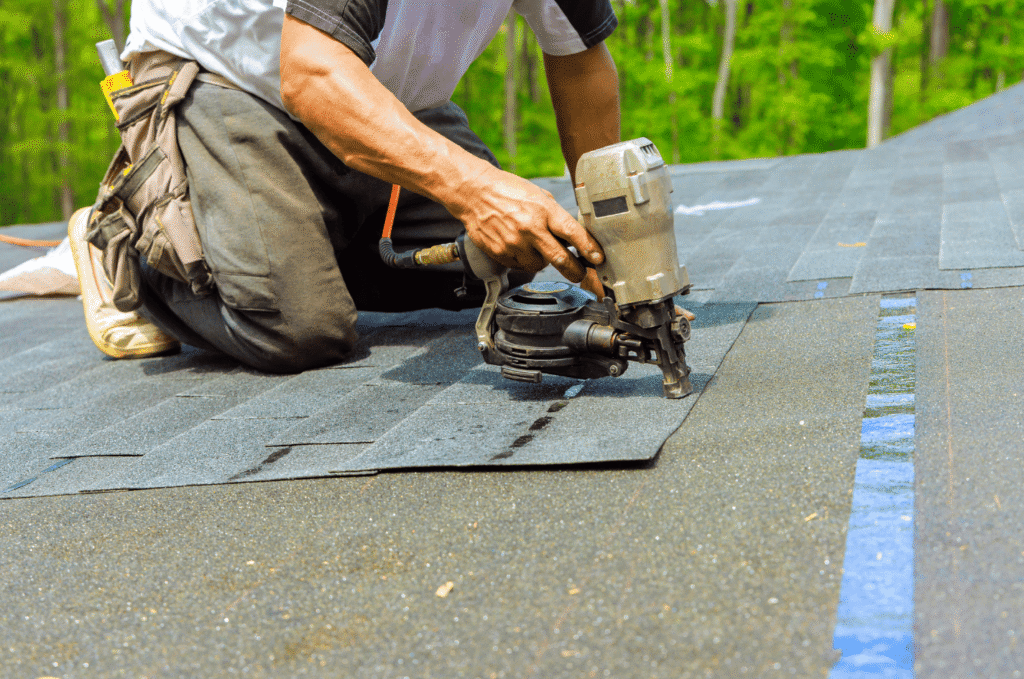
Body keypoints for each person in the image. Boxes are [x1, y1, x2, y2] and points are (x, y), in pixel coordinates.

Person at [70, 0, 622, 372]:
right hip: (230, 78)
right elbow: (312, 75)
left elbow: (579, 60)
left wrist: (611, 247)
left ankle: (280, 252)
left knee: (504, 253)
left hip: (372, 94)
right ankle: (126, 248)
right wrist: (476, 190)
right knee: (296, 326)